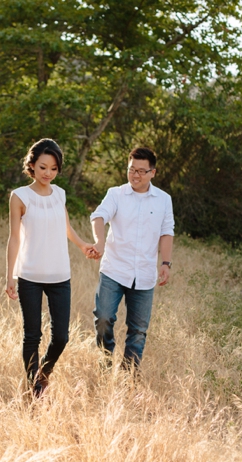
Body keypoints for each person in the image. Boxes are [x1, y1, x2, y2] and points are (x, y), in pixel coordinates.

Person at [5, 138, 95, 398]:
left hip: (59, 275)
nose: (48, 173)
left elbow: (65, 226)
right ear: (31, 165)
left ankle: (44, 373)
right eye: (43, 167)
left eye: (54, 168)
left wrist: (81, 245)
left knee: (61, 337)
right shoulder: (20, 196)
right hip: (30, 275)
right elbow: (14, 238)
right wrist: (10, 276)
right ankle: (34, 391)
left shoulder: (60, 194)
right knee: (32, 335)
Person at [89, 147, 174, 373]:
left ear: (153, 173)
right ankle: (105, 365)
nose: (135, 176)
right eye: (131, 170)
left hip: (145, 275)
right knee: (104, 319)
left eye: (141, 171)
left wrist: (166, 263)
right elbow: (99, 217)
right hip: (114, 269)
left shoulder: (164, 200)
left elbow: (167, 232)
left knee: (138, 330)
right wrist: (99, 242)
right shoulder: (115, 194)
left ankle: (129, 377)